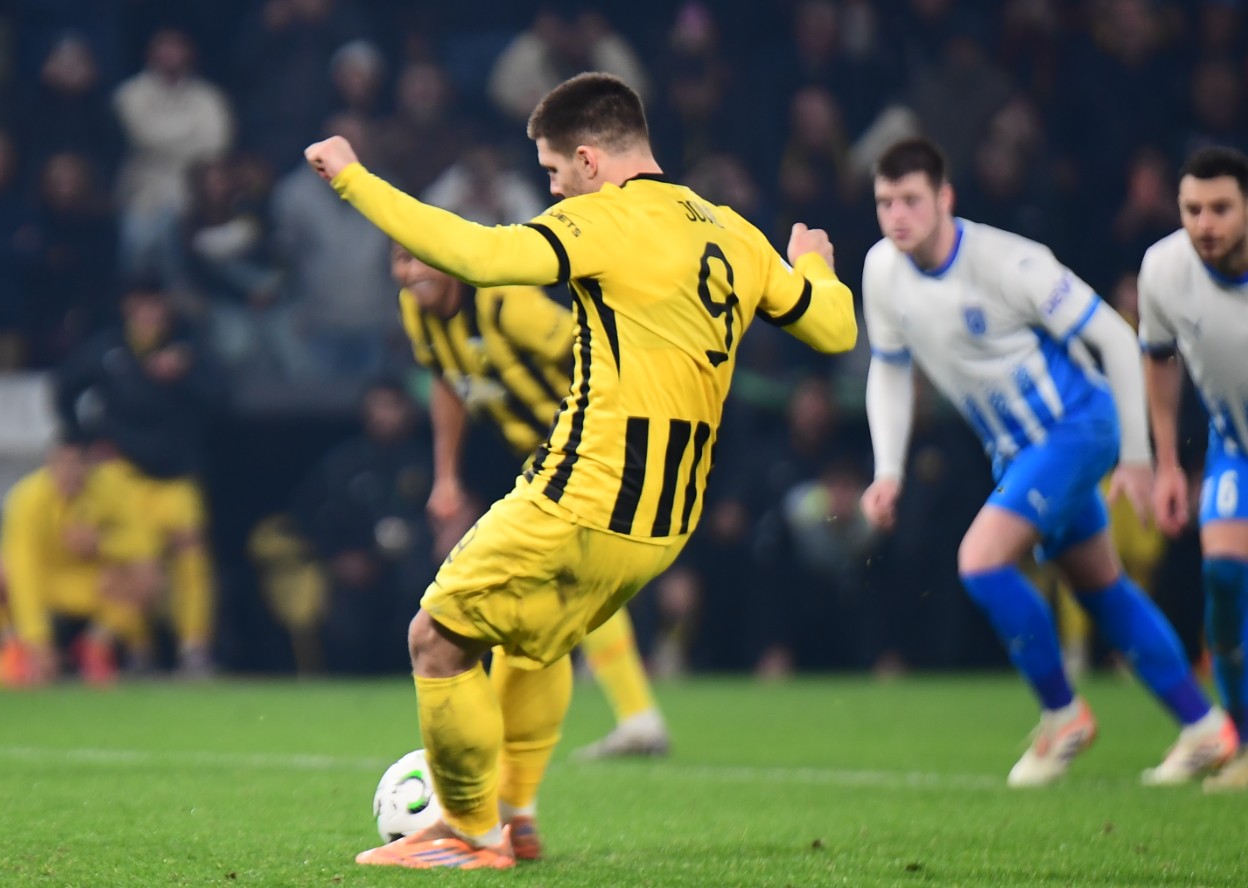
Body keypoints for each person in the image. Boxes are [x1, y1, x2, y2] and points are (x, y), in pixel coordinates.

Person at [305, 71, 856, 869]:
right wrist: (815, 268)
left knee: (437, 638)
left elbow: (478, 253)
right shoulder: (733, 231)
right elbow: (834, 331)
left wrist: (354, 179)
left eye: (555, 169)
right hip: (665, 523)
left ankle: (468, 832)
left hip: (583, 493)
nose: (553, 187)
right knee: (534, 645)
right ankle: (517, 820)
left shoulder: (604, 220)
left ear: (591, 160)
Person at [859, 137, 1236, 789]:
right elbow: (889, 370)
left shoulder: (1010, 263)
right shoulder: (881, 271)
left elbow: (1116, 338)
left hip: (1076, 428)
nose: (898, 216)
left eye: (911, 199)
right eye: (885, 202)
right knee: (1100, 587)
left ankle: (1063, 716)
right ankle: (1204, 726)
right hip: (1018, 453)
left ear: (945, 198)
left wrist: (1137, 456)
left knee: (980, 562)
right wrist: (887, 471)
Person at [391, 241, 672, 759]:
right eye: (400, 260)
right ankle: (634, 719)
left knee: (547, 581)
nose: (411, 271)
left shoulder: (506, 304)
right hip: (540, 456)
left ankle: (514, 748)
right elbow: (446, 382)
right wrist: (446, 476)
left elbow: (592, 347)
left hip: (586, 449)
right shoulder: (417, 313)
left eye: (421, 257)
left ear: (449, 257)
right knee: (566, 581)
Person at [1139, 146, 1248, 791]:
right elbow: (1158, 357)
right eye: (1192, 209)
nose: (1205, 224)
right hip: (1233, 447)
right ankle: (1241, 741)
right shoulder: (1164, 267)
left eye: (1221, 209)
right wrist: (1168, 465)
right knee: (1223, 578)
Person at [53, 279, 224, 675]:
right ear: (129, 307)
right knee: (135, 561)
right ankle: (137, 647)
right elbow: (64, 388)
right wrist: (83, 440)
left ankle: (194, 647)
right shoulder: (108, 349)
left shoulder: (188, 347)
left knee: (191, 557)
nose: (150, 315)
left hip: (175, 475)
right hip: (124, 474)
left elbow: (222, 398)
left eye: (156, 306)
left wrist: (186, 373)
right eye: (142, 306)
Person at [0, 436, 161, 686]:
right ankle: (15, 648)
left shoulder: (111, 490)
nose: (69, 472)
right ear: (49, 465)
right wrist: (38, 641)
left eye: (77, 463)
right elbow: (23, 569)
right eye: (62, 463)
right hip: (42, 581)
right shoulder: (26, 498)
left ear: (90, 465)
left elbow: (145, 544)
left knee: (145, 576)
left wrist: (101, 543)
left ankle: (97, 646)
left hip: (90, 584)